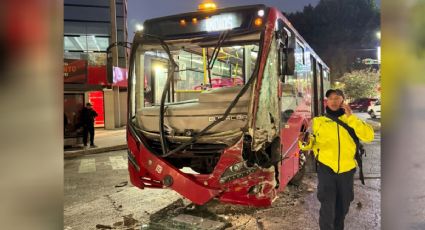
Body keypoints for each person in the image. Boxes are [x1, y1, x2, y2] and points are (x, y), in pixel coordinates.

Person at [299, 89, 374, 230]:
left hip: (347, 170)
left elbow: (368, 136)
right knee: (328, 207)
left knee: (343, 207)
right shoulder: (317, 121)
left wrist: (351, 117)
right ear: (327, 101)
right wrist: (303, 142)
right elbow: (308, 144)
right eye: (330, 98)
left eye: (337, 98)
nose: (333, 101)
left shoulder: (352, 120)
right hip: (326, 169)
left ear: (343, 101)